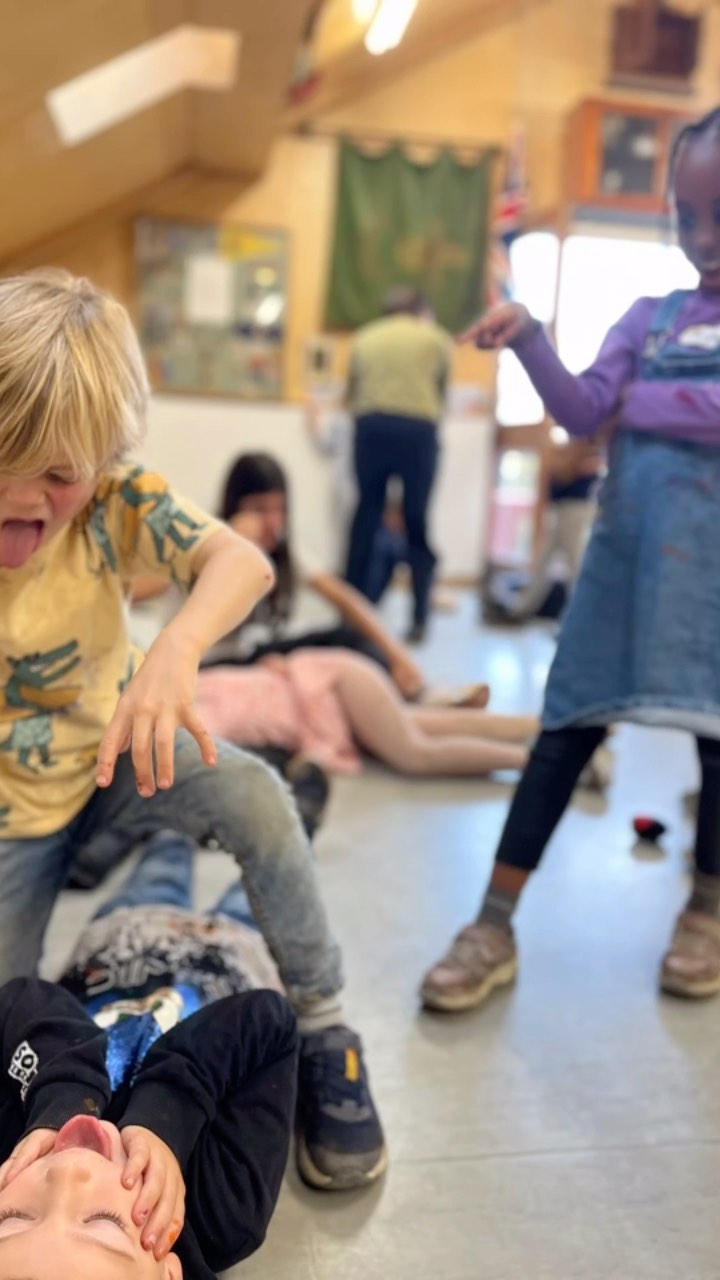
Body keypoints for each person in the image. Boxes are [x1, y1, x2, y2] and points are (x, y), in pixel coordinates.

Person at [0, 269, 385, 1189]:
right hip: (15, 815)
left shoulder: (113, 501)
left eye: (58, 473)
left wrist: (175, 648)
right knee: (7, 1015)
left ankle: (328, 1025)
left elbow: (240, 562)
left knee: (256, 793)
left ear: (98, 462)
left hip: (116, 750)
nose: (24, 497)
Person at [421, 106, 720, 1011]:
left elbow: (650, 411)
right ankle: (492, 922)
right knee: (563, 735)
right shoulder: (652, 316)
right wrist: (533, 341)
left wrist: (647, 409)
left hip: (709, 594)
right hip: (626, 574)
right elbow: (588, 410)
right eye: (686, 216)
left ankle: (705, 910)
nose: (702, 237)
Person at [0, 876, 296, 1280]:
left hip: (124, 937)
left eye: (13, 1218)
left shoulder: (9, 1154)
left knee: (163, 846)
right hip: (233, 950)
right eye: (104, 1222)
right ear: (168, 1273)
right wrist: (165, 1121)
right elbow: (269, 1022)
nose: (67, 1173)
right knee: (271, 874)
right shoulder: (225, 1214)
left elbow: (21, 998)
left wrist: (61, 1098)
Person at [195, 649, 536, 778]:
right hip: (329, 686)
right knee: (421, 724)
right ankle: (544, 731)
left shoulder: (193, 717)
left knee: (415, 754)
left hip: (330, 684)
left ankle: (540, 763)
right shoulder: (187, 683)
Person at [344, 286, 453, 643]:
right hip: (418, 432)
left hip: (371, 427)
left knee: (366, 517)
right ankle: (419, 619)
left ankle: (352, 614)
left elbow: (352, 392)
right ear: (421, 311)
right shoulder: (436, 339)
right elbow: (441, 393)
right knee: (417, 522)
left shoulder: (365, 337)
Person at [487, 438, 605, 623]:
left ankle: (585, 616)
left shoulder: (590, 451)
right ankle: (520, 609)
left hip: (575, 511)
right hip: (559, 512)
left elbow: (592, 471)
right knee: (543, 564)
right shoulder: (563, 452)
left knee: (575, 566)